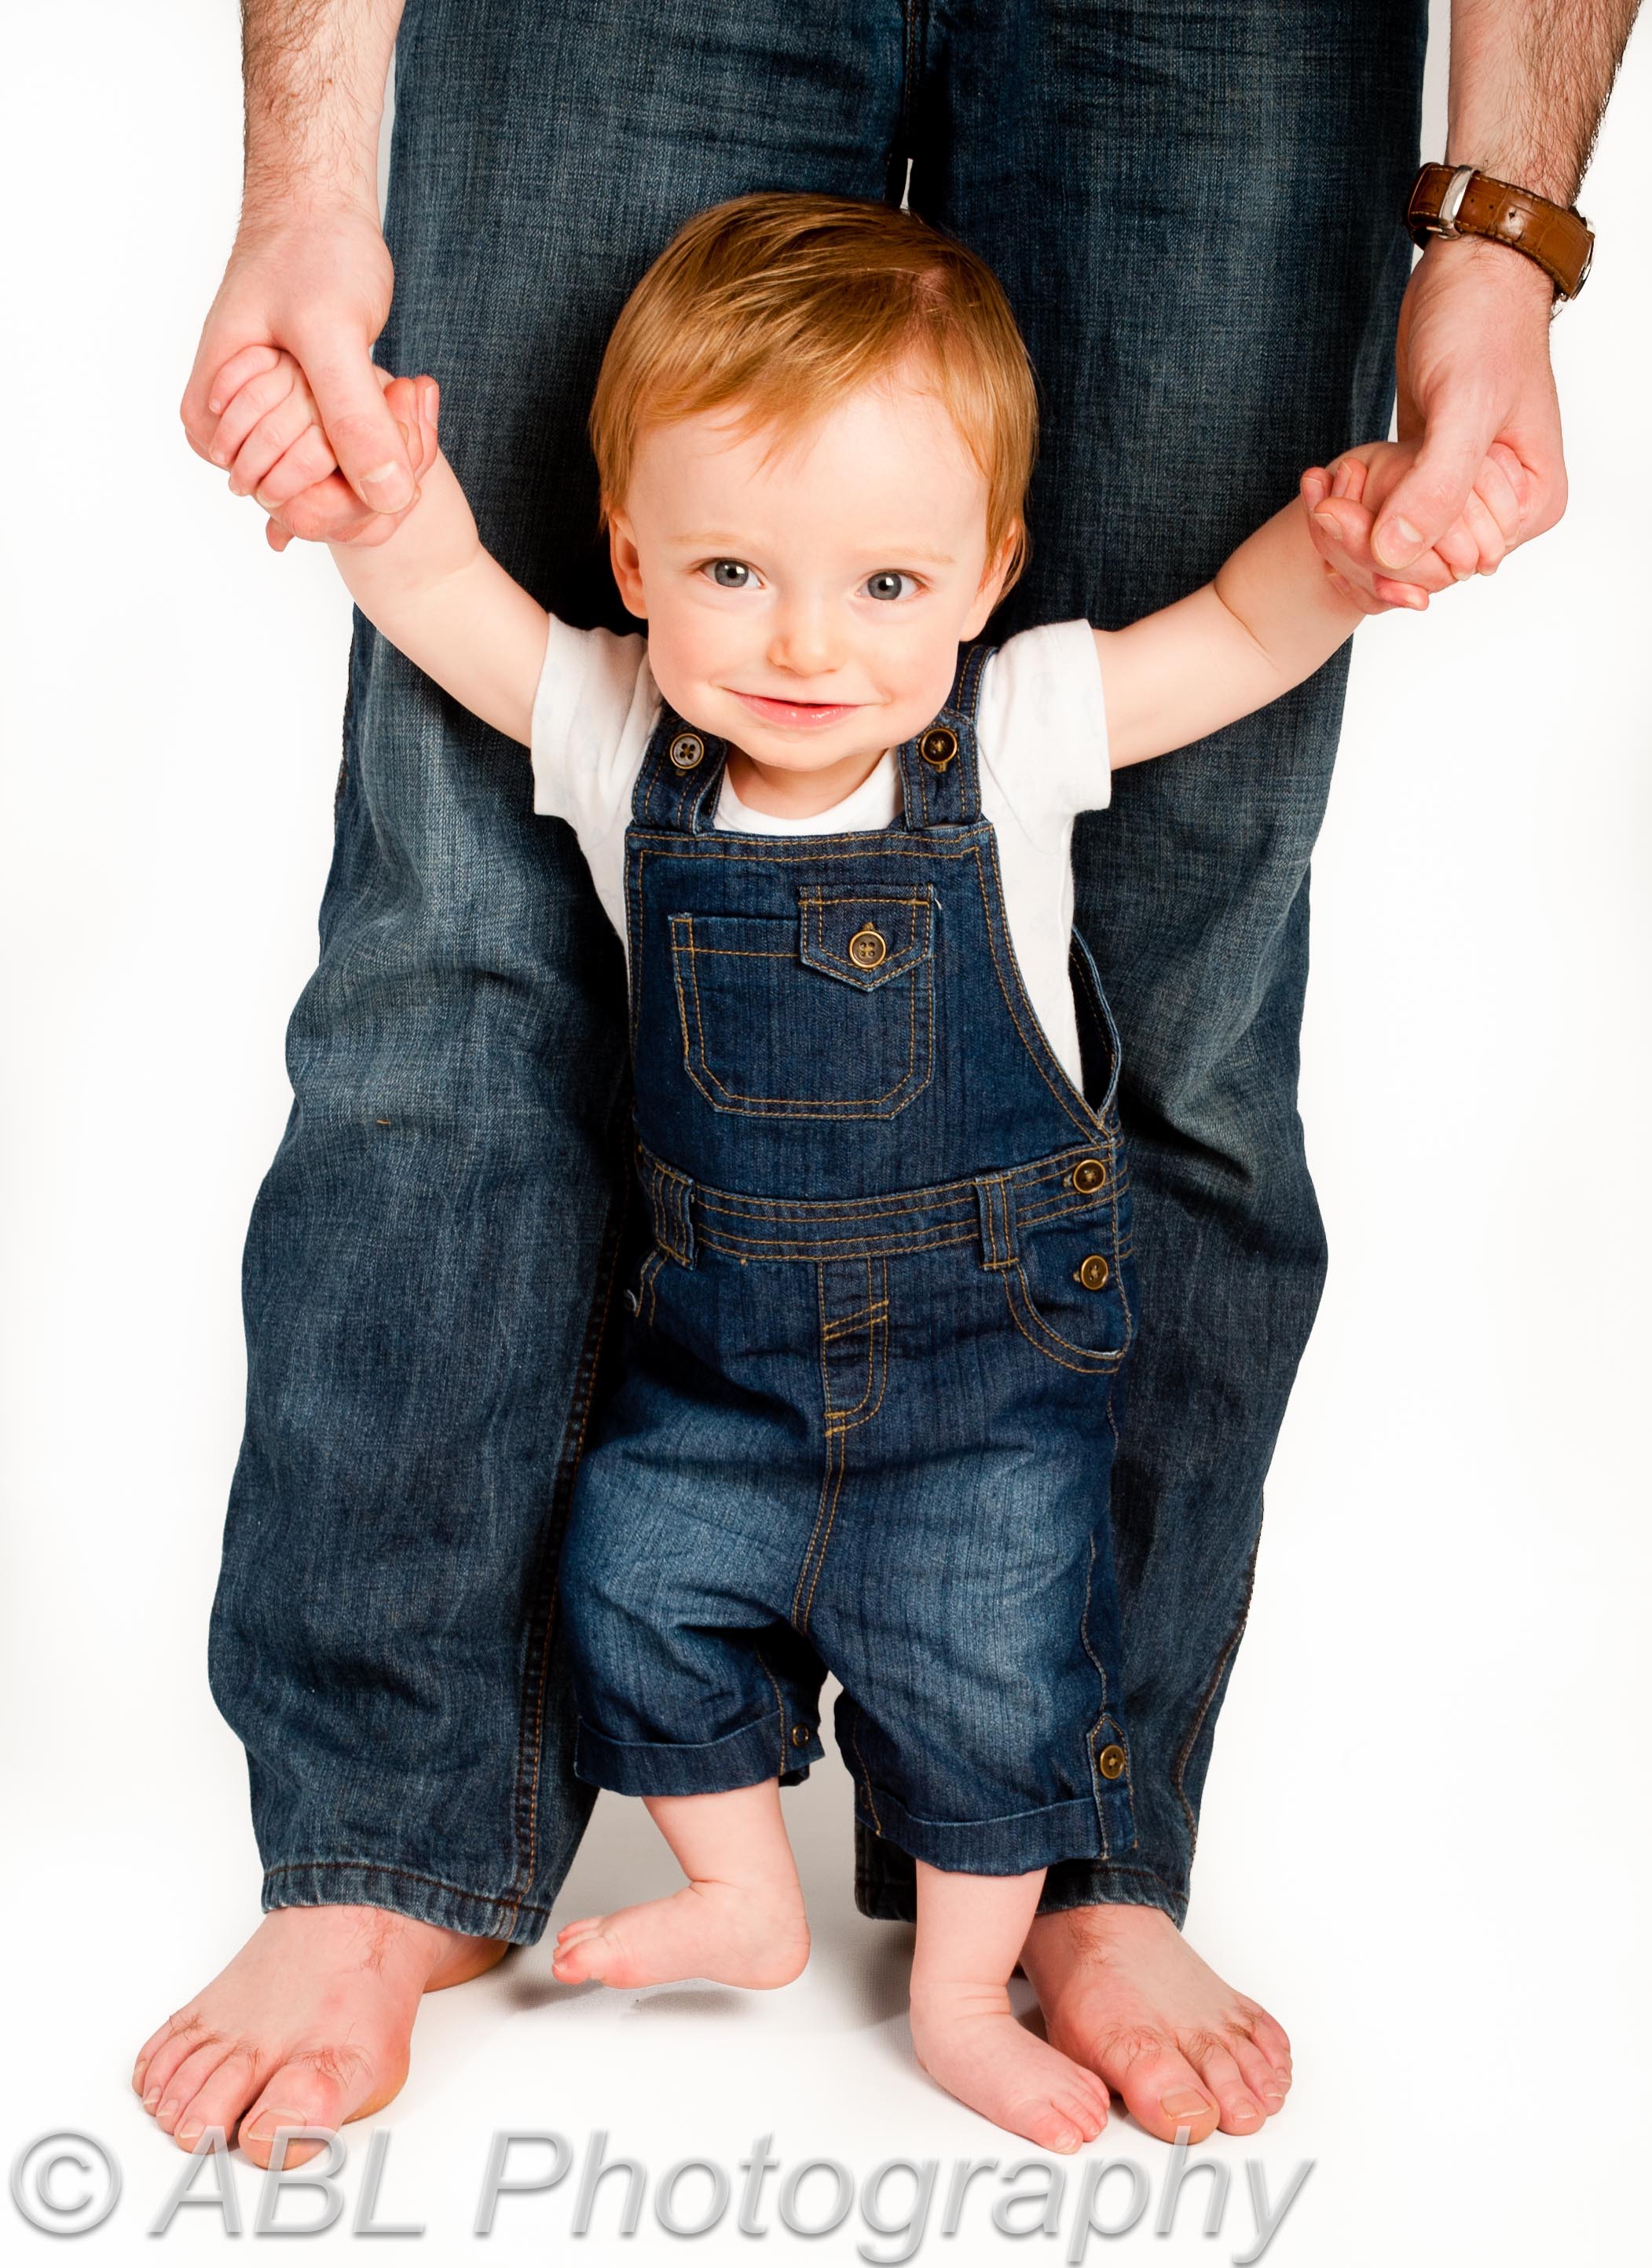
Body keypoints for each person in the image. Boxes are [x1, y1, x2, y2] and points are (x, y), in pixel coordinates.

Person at [140, 0, 1634, 2171]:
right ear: (641, 575)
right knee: (446, 967)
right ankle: (397, 1829)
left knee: (1184, 997)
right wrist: (323, 314)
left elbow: (1221, 636)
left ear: (987, 590)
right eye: (728, 574)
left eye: (888, 587)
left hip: (988, 1390)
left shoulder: (1015, 722)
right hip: (720, 1389)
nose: (803, 644)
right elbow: (448, 597)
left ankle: (1064, 1865)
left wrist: (1467, 311)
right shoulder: (616, 712)